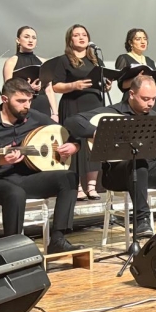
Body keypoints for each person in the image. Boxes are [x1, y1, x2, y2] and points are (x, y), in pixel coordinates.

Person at [64, 75, 156, 236]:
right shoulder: (112, 112)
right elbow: (72, 121)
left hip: (145, 168)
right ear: (131, 94)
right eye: (145, 99)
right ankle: (142, 220)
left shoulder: (154, 118)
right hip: (116, 172)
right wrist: (97, 132)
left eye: (153, 99)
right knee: (138, 164)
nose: (150, 103)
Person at [0, 78, 83, 253]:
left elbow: (68, 133)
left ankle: (58, 240)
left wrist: (74, 146)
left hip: (25, 178)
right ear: (4, 99)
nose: (26, 106)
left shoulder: (35, 117)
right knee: (15, 193)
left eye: (29, 100)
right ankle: (13, 249)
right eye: (20, 101)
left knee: (69, 177)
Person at [51, 24, 110, 200]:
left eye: (84, 34)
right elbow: (56, 86)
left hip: (94, 104)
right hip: (73, 104)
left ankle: (91, 186)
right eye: (76, 35)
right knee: (75, 143)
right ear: (70, 40)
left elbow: (102, 80)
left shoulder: (95, 59)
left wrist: (107, 85)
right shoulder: (64, 60)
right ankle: (77, 187)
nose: (81, 37)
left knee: (94, 144)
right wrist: (73, 85)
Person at [2, 26, 57, 119]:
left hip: (42, 104)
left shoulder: (43, 62)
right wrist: (26, 88)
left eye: (34, 38)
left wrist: (55, 113)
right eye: (26, 37)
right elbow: (8, 90)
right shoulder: (11, 62)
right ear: (18, 40)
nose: (30, 40)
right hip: (22, 105)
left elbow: (49, 89)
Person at [114, 28, 156, 111]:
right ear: (130, 42)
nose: (143, 42)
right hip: (134, 101)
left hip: (152, 101)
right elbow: (122, 85)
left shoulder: (149, 61)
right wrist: (136, 79)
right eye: (138, 39)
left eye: (145, 39)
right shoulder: (124, 58)